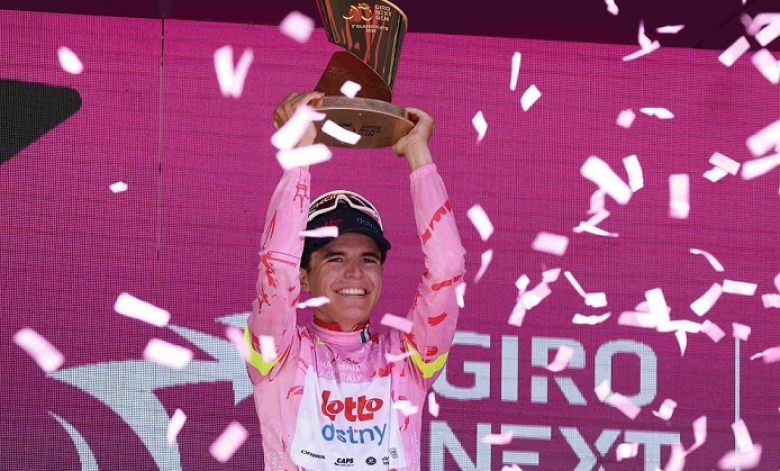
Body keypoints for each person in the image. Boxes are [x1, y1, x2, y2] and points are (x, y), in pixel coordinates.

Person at [244, 91, 466, 470]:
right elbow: (276, 267)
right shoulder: (279, 355)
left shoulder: (407, 361)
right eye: (335, 258)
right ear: (304, 277)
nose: (355, 273)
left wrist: (418, 153)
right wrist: (300, 153)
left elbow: (448, 267)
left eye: (368, 259)